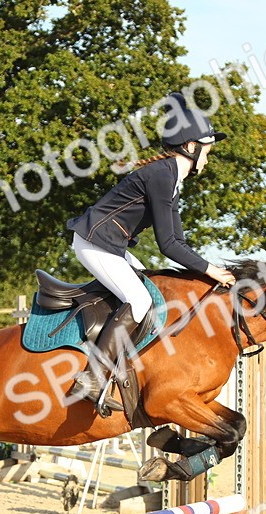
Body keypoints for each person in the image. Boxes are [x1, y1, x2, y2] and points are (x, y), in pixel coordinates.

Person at [65, 91, 237, 414]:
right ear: (191, 146)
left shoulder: (170, 177)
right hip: (93, 241)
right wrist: (210, 270)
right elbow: (167, 245)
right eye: (207, 150)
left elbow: (177, 241)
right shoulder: (162, 175)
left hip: (109, 245)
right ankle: (92, 378)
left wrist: (207, 269)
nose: (207, 158)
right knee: (140, 300)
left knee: (150, 288)